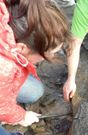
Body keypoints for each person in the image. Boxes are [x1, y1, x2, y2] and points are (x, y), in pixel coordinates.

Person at [0, 0, 73, 134]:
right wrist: (20, 117)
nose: (50, 58)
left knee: (35, 91)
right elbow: (2, 106)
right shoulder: (4, 68)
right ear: (21, 48)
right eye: (48, 54)